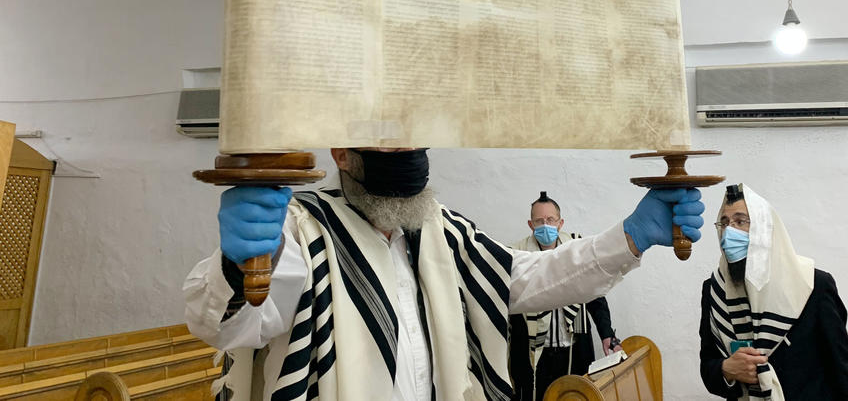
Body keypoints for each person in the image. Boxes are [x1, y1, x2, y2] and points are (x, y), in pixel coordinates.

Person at [184, 147, 705, 401]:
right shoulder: (300, 229)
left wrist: (629, 238)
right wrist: (244, 260)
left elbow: (525, 279)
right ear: (343, 152)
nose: (408, 155)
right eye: (390, 139)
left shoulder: (438, 229)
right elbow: (234, 325)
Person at [698, 184, 848, 401]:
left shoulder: (812, 285)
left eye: (740, 222)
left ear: (764, 229)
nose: (729, 232)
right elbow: (708, 366)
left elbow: (842, 370)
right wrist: (727, 369)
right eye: (724, 223)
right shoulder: (714, 290)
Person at [508, 191, 623, 401]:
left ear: (560, 223)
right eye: (539, 221)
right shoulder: (517, 255)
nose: (545, 225)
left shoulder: (576, 249)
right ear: (530, 224)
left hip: (573, 349)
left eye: (550, 220)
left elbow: (595, 296)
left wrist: (607, 334)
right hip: (534, 355)